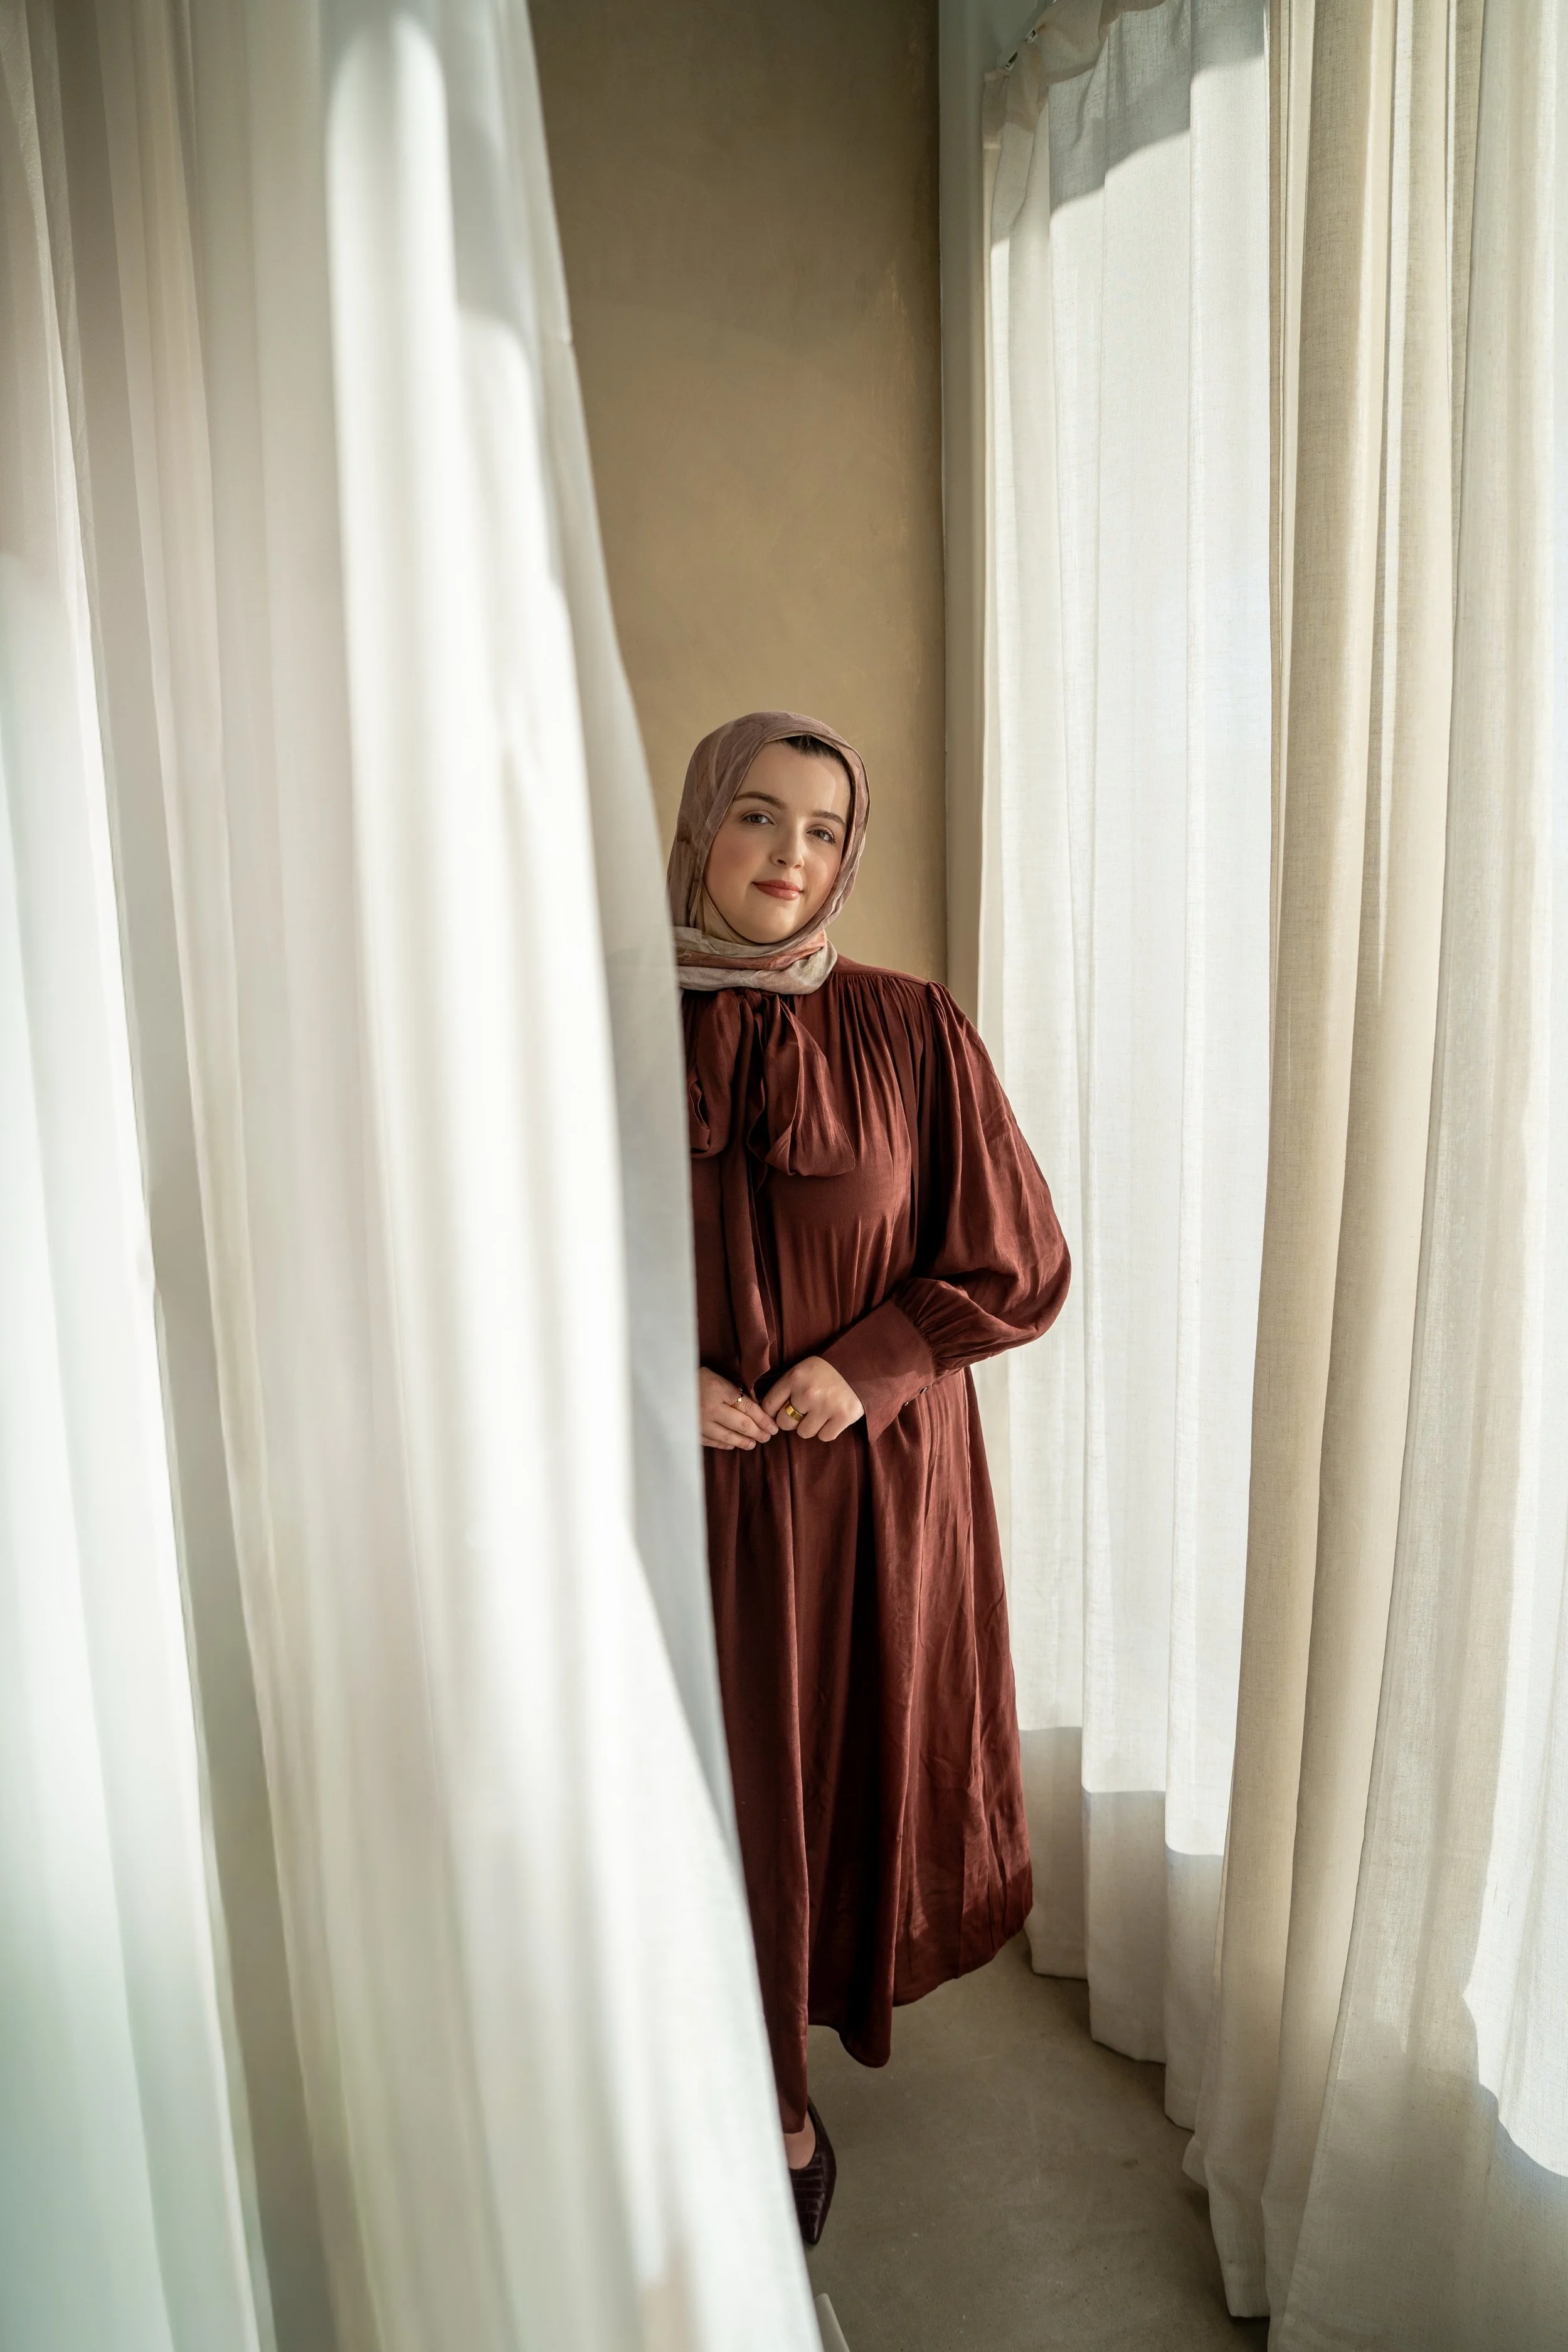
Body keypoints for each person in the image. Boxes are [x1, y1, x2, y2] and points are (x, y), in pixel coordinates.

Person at [672, 710, 1069, 2245]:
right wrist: (644, 1378)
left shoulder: (910, 1028)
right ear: (702, 822)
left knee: (815, 1789)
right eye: (758, 817)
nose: (788, 857)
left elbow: (1015, 1261)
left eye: (823, 831)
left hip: (860, 1501)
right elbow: (495, 1256)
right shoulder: (582, 1021)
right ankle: (701, 2077)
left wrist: (877, 1362)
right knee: (694, 1792)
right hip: (665, 1500)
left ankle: (775, 2095)